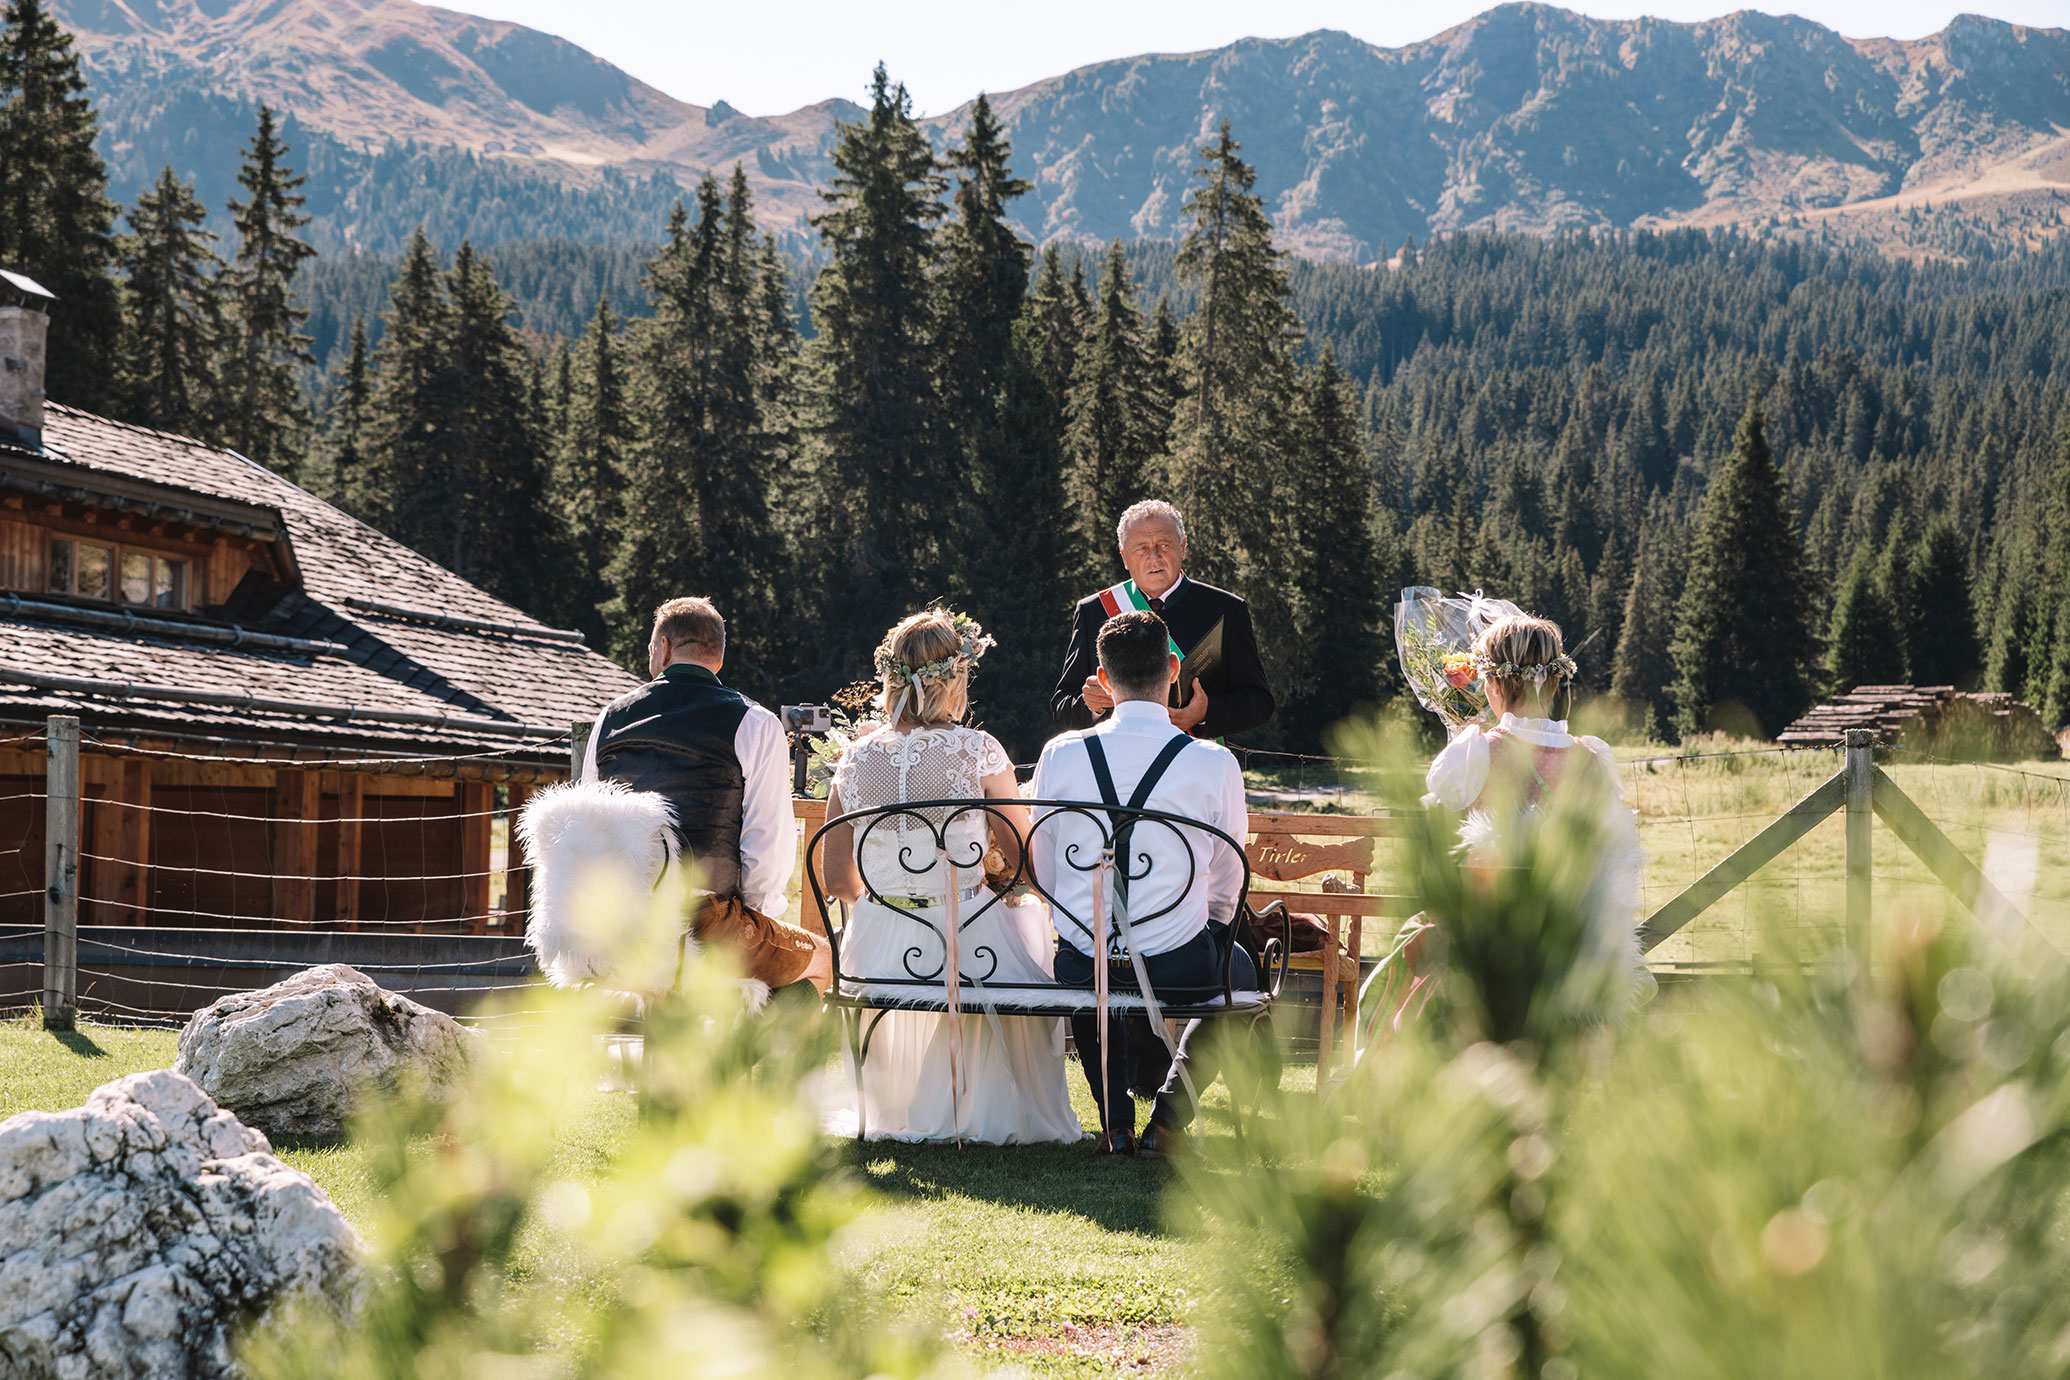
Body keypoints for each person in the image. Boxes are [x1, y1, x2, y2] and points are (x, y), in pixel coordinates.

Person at [820, 609, 1083, 1144]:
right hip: (966, 934)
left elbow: (835, 879)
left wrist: (887, 908)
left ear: (891, 677)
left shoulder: (853, 758)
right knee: (1025, 943)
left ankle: (896, 1102)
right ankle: (976, 1106)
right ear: (956, 679)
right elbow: (1021, 854)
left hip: (877, 944)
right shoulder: (977, 750)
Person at [1034, 610, 1259, 1159]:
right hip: (1178, 966)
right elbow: (1229, 876)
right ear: (1175, 668)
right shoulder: (1214, 761)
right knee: (1240, 972)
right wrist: (1201, 929)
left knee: (1089, 975)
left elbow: (1043, 863)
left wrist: (1088, 928)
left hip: (1081, 961)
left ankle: (1114, 1125)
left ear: (1104, 680)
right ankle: (1170, 1120)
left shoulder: (1062, 753)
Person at [582, 596, 829, 996]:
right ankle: (750, 1051)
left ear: (663, 649)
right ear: (718, 658)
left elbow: (588, 827)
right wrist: (755, 922)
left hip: (622, 925)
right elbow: (767, 848)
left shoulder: (609, 718)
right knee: (824, 959)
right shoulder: (754, 722)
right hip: (709, 925)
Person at [1422, 612, 1643, 990]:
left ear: (1492, 682)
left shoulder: (1474, 753)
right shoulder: (1592, 759)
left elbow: (1436, 837)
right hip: (1575, 957)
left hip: (1486, 956)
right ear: (1556, 682)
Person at [1052, 499, 1274, 740]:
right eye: (1141, 548)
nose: (1154, 557)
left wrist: (1204, 712)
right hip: (1119, 767)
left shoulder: (1227, 609)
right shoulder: (1093, 611)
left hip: (1195, 763)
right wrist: (1093, 706)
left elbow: (1259, 702)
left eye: (1164, 545)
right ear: (1125, 557)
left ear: (1183, 547)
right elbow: (1063, 706)